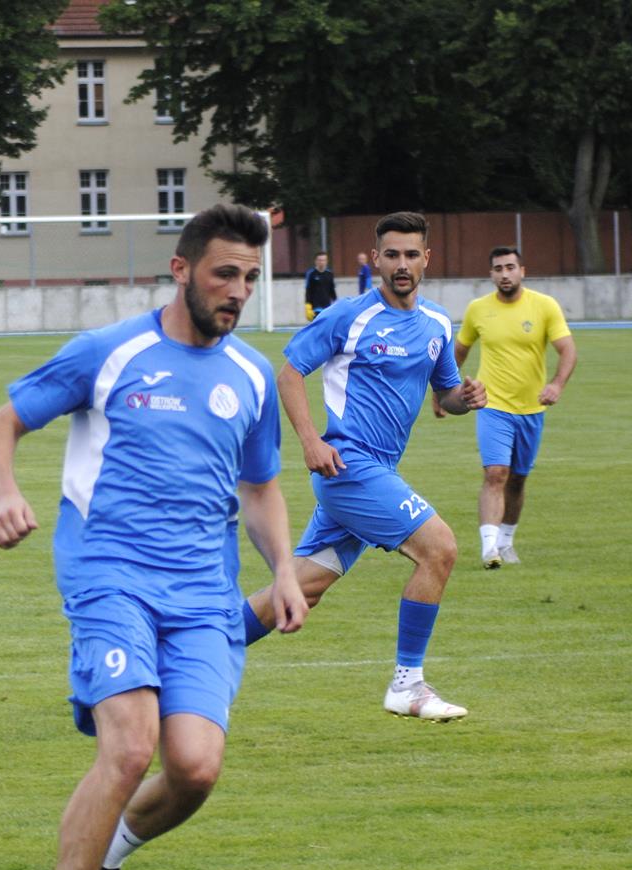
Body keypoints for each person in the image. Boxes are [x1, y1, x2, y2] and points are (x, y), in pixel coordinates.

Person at [0, 204, 306, 870]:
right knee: (129, 747)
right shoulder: (112, 351)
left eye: (251, 279)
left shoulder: (252, 376)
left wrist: (286, 571)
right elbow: (2, 423)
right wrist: (5, 493)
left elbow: (260, 488)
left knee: (195, 767)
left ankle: (109, 857)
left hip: (202, 592)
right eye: (225, 273)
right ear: (182, 269)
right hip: (109, 572)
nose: (238, 292)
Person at [242, 211, 485, 722]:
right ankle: (408, 684)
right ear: (376, 259)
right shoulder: (348, 315)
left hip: (374, 474)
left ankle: (189, 649)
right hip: (349, 468)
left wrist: (466, 396)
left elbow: (445, 396)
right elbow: (288, 375)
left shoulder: (438, 324)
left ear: (427, 260)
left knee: (302, 588)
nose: (401, 264)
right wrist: (310, 441)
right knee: (439, 548)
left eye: (411, 255)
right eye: (391, 254)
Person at [441, 246, 577, 568]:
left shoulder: (544, 307)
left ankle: (506, 541)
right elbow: (458, 352)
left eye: (510, 267)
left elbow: (568, 351)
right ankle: (489, 549)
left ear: (522, 271)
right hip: (492, 405)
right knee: (495, 473)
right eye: (498, 268)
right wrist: (443, 391)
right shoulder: (478, 310)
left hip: (532, 409)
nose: (504, 274)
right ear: (491, 274)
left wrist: (556, 384)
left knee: (517, 479)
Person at [303, 251, 336, 322]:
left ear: (326, 261)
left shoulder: (330, 274)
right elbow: (308, 290)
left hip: (327, 306)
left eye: (323, 260)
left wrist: (335, 302)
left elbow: (332, 290)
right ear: (316, 261)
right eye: (320, 260)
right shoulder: (311, 274)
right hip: (315, 307)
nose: (322, 262)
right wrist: (307, 305)